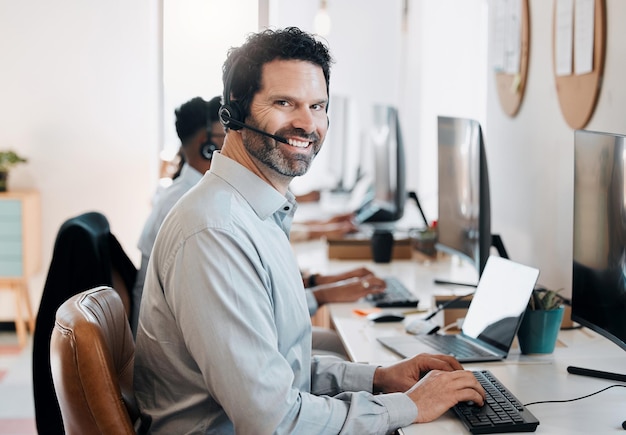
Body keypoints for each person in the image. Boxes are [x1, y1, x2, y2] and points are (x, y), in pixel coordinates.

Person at [134, 27, 484, 434]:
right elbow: (275, 421)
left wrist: (378, 378)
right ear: (235, 107)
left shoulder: (258, 213)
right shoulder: (216, 231)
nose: (307, 124)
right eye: (285, 103)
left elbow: (277, 368)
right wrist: (405, 407)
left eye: (318, 106)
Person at [130, 95, 224, 333]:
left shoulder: (189, 192)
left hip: (169, 327)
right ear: (208, 145)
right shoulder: (188, 203)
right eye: (227, 135)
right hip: (168, 338)